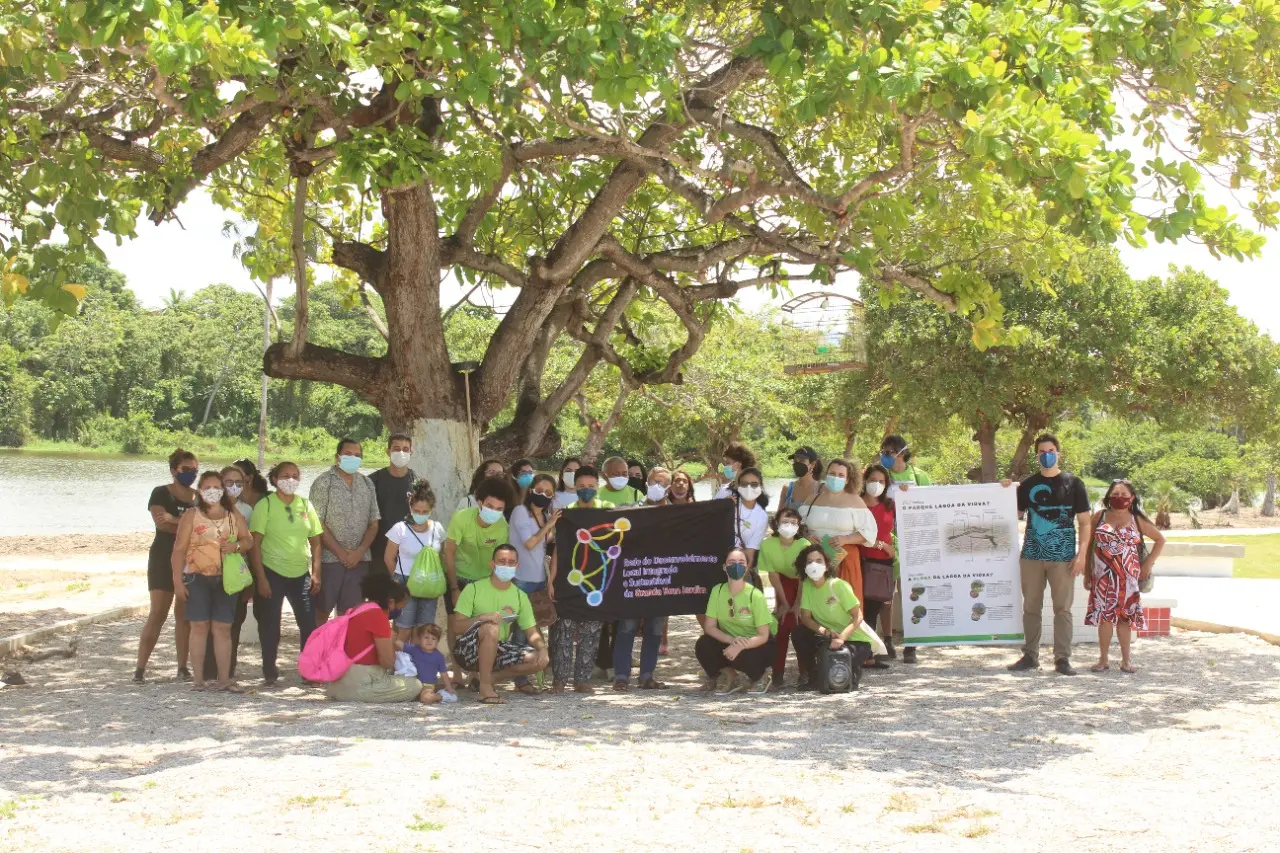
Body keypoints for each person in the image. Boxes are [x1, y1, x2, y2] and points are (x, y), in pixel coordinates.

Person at [1008, 434, 1093, 676]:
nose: (1047, 455)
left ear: (1058, 453)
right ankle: (1030, 655)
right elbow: (1011, 515)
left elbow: (1085, 523)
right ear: (1037, 456)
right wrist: (1004, 490)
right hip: (1032, 556)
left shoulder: (1073, 483)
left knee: (1062, 609)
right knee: (1031, 607)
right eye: (1042, 451)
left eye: (1051, 450)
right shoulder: (1026, 485)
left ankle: (1062, 659)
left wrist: (1082, 554)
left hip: (1063, 557)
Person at [172, 470, 254, 692]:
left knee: (223, 628)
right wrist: (178, 582)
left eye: (217, 487)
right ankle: (198, 680)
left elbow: (248, 540)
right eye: (207, 488)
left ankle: (224, 679)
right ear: (200, 491)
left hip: (226, 578)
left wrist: (236, 546)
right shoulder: (191, 515)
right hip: (196, 577)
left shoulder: (233, 514)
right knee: (198, 627)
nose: (212, 492)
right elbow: (178, 550)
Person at [250, 461, 323, 686]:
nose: (290, 480)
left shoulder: (306, 505)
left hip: (300, 574)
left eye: (295, 476)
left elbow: (316, 542)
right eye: (285, 475)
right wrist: (261, 578)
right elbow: (255, 544)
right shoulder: (266, 505)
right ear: (275, 479)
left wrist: (316, 573)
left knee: (308, 624)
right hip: (271, 573)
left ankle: (309, 671)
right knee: (270, 624)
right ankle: (270, 670)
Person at [450, 545, 550, 703]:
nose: (506, 566)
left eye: (511, 562)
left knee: (537, 658)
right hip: (468, 651)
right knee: (491, 628)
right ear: (492, 564)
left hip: (498, 648)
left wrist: (543, 649)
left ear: (517, 566)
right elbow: (456, 627)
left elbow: (531, 632)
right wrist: (482, 618)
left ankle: (487, 678)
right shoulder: (473, 589)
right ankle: (485, 690)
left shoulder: (520, 595)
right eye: (502, 561)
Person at [134, 449, 198, 683]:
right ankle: (140, 668)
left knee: (184, 615)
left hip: (189, 560)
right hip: (163, 557)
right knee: (158, 613)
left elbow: (201, 526)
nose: (191, 473)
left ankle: (182, 667)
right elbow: (162, 525)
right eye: (186, 469)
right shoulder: (160, 493)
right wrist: (184, 523)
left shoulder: (198, 497)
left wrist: (176, 520)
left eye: (194, 469)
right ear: (174, 470)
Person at [1086, 480, 1163, 674]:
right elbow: (1088, 546)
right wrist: (1087, 572)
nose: (1119, 498)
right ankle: (1102, 660)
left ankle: (1126, 661)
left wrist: (1148, 563)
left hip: (1129, 579)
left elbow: (1160, 539)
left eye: (1124, 495)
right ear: (1108, 497)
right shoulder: (1099, 516)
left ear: (1132, 498)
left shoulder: (1137, 519)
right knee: (1104, 618)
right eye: (1115, 494)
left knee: (1125, 620)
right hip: (1103, 577)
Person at [325, 572, 436, 704]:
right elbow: (387, 662)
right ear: (390, 602)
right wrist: (392, 641)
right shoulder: (378, 616)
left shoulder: (357, 609)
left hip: (338, 682)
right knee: (415, 685)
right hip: (362, 684)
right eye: (399, 606)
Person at [548, 466, 611, 691]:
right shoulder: (567, 513)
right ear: (575, 488)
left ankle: (582, 680)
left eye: (591, 487)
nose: (586, 490)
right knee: (562, 631)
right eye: (582, 487)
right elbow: (558, 549)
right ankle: (559, 680)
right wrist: (551, 579)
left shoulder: (609, 511)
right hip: (568, 579)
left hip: (597, 581)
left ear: (598, 486)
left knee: (592, 631)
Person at [443, 476, 514, 678]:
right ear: (480, 502)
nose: (494, 512)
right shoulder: (462, 518)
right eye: (490, 506)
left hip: (484, 582)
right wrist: (455, 588)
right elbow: (449, 552)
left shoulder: (502, 527)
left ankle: (476, 675)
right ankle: (457, 673)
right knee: (455, 626)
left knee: (482, 628)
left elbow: (500, 560)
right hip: (459, 577)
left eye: (499, 509)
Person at [611, 461, 672, 690]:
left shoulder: (678, 513)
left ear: (669, 488)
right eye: (655, 481)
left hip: (662, 579)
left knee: (655, 628)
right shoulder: (632, 509)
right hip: (634, 577)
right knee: (627, 626)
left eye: (664, 483)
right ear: (647, 483)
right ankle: (621, 676)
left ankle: (647, 675)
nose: (659, 486)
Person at [310, 438, 380, 624]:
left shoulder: (367, 484)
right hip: (329, 561)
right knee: (321, 612)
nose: (353, 458)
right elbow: (317, 523)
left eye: (357, 455)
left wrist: (358, 552)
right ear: (337, 457)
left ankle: (342, 652)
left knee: (351, 616)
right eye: (348, 454)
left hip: (360, 562)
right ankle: (318, 651)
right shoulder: (323, 483)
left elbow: (374, 524)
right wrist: (341, 553)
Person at [876, 437, 931, 664]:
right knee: (886, 596)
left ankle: (912, 643)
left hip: (914, 543)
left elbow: (933, 506)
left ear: (902, 453)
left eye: (890, 451)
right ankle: (887, 640)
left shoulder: (920, 477)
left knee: (911, 594)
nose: (886, 455)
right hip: (887, 544)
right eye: (883, 451)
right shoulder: (879, 476)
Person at [792, 544, 876, 690]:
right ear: (803, 566)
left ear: (827, 565)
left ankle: (853, 671)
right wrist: (824, 631)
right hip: (828, 636)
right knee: (799, 633)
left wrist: (841, 638)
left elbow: (858, 616)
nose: (814, 565)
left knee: (840, 677)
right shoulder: (807, 585)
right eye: (809, 561)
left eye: (819, 561)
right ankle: (814, 678)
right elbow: (805, 617)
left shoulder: (839, 585)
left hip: (855, 641)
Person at [796, 459, 877, 607]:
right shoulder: (812, 499)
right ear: (826, 475)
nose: (836, 477)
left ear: (847, 479)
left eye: (841, 475)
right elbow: (799, 527)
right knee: (815, 606)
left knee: (842, 607)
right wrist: (807, 536)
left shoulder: (855, 501)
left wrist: (846, 539)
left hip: (843, 561)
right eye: (832, 473)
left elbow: (869, 533)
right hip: (815, 561)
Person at [695, 547, 776, 694]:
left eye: (741, 562)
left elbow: (763, 635)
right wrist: (732, 640)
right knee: (703, 645)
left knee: (743, 656)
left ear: (746, 567)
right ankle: (730, 677)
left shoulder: (755, 595)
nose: (736, 566)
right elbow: (710, 627)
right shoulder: (717, 591)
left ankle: (761, 677)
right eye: (731, 562)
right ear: (725, 567)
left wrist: (741, 646)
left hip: (757, 644)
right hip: (731, 639)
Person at [202, 465, 256, 680]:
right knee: (206, 623)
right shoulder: (203, 508)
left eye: (239, 483)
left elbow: (250, 544)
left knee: (233, 623)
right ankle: (206, 671)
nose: (234, 487)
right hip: (206, 573)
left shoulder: (247, 511)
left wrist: (250, 581)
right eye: (229, 482)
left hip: (236, 575)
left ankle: (227, 670)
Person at [508, 473, 560, 694]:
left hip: (539, 579)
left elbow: (543, 546)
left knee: (536, 631)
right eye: (540, 490)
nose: (543, 495)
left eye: (548, 493)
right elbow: (530, 543)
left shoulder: (544, 515)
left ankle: (532, 673)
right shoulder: (521, 512)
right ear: (530, 490)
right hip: (520, 580)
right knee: (521, 632)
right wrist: (549, 524)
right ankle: (520, 679)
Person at [385, 479, 447, 642]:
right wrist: (398, 581)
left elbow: (442, 555)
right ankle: (395, 664)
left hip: (429, 586)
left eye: (424, 511)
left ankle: (418, 665)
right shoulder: (400, 529)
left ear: (431, 509)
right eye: (416, 510)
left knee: (424, 629)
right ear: (410, 508)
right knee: (403, 629)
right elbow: (389, 558)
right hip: (405, 583)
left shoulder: (438, 529)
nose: (420, 514)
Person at [760, 507, 811, 687]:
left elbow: (805, 577)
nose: (789, 526)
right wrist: (783, 602)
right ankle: (777, 670)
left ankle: (805, 670)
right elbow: (773, 575)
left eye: (793, 522)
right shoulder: (767, 544)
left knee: (797, 623)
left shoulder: (804, 545)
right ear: (776, 523)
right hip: (781, 585)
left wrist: (797, 604)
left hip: (803, 585)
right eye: (784, 521)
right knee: (782, 623)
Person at [858, 463, 897, 670]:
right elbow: (858, 535)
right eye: (873, 480)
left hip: (885, 563)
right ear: (865, 481)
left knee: (880, 606)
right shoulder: (856, 504)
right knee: (866, 609)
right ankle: (867, 655)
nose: (877, 484)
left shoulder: (890, 504)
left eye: (881, 481)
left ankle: (870, 651)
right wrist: (882, 545)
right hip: (863, 561)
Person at [369, 433, 418, 567]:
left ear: (411, 452)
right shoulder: (372, 481)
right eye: (396, 449)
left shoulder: (417, 483)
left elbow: (422, 517)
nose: (401, 452)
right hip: (378, 550)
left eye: (405, 449)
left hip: (408, 551)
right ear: (388, 451)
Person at [397, 623, 456, 702]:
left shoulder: (439, 656)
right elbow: (399, 644)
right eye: (426, 637)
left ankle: (441, 696)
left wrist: (449, 688)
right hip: (412, 683)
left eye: (433, 639)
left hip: (427, 685)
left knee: (426, 698)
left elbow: (444, 674)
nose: (429, 641)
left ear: (437, 641)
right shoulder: (414, 649)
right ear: (420, 638)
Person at [729, 467, 770, 573]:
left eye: (754, 484)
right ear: (738, 486)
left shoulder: (762, 516)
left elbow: (750, 552)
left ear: (760, 487)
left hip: (744, 564)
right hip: (721, 562)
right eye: (744, 484)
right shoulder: (728, 504)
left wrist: (741, 577)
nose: (749, 488)